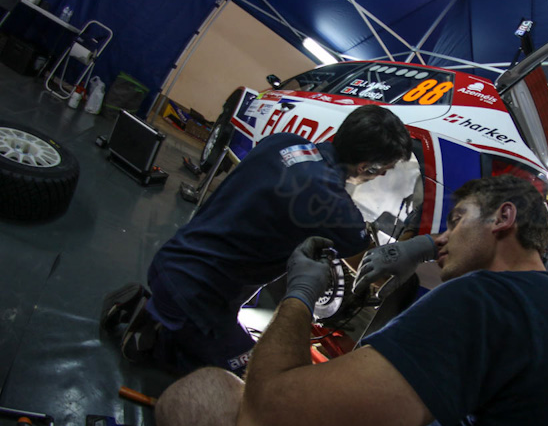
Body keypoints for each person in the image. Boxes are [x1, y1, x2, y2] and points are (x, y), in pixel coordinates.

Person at [154, 175, 548, 426]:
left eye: (457, 221)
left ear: (503, 218)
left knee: (202, 396)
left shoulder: (487, 299)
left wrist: (299, 294)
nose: (443, 239)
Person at [103, 104, 412, 376]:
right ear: (366, 167)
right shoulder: (331, 201)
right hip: (198, 300)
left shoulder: (284, 142)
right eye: (383, 171)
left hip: (172, 258)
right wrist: (416, 248)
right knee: (250, 377)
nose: (382, 177)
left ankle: (154, 310)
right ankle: (154, 338)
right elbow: (370, 263)